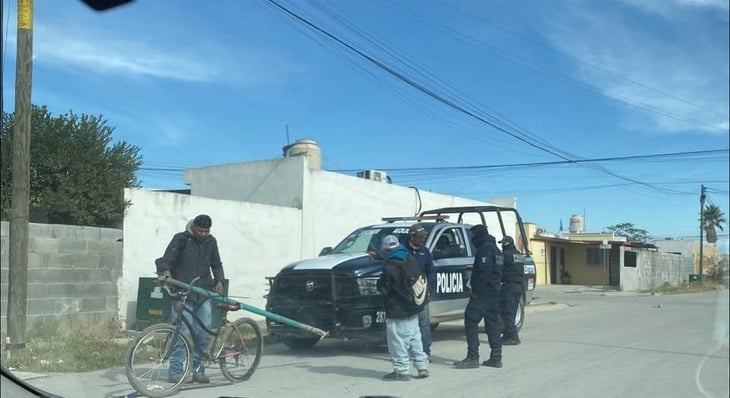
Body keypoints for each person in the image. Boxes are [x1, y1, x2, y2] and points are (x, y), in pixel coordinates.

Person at [155, 214, 225, 384]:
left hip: (203, 293)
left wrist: (219, 280)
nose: (203, 234)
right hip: (181, 293)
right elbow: (166, 260)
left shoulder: (211, 242)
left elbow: (216, 263)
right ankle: (176, 372)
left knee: (203, 333)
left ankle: (198, 370)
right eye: (200, 231)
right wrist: (166, 272)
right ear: (193, 227)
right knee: (181, 333)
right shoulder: (181, 239)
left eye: (206, 231)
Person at [376, 235, 430, 381]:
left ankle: (401, 372)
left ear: (386, 248)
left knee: (397, 341)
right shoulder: (409, 257)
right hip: (414, 306)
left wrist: (379, 285)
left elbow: (385, 288)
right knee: (415, 338)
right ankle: (422, 367)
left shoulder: (391, 265)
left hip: (398, 309)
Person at [454, 224, 504, 369]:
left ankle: (472, 357)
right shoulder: (496, 249)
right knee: (492, 325)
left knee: (470, 320)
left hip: (483, 293)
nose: (472, 239)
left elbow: (484, 272)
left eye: (472, 236)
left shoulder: (484, 249)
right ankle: (496, 357)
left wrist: (475, 289)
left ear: (478, 235)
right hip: (494, 292)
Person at [405, 223, 435, 359]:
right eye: (420, 237)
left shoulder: (425, 252)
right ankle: (407, 350)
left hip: (422, 293)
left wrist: (428, 289)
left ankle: (425, 351)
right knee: (407, 323)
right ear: (412, 237)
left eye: (424, 237)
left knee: (424, 323)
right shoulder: (403, 251)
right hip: (406, 293)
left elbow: (430, 272)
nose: (422, 240)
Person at [499, 236, 525, 345]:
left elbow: (499, 268)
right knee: (512, 312)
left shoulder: (506, 255)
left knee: (506, 312)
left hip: (509, 286)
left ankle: (514, 337)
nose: (501, 245)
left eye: (503, 243)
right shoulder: (518, 255)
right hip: (519, 286)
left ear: (508, 244)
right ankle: (507, 335)